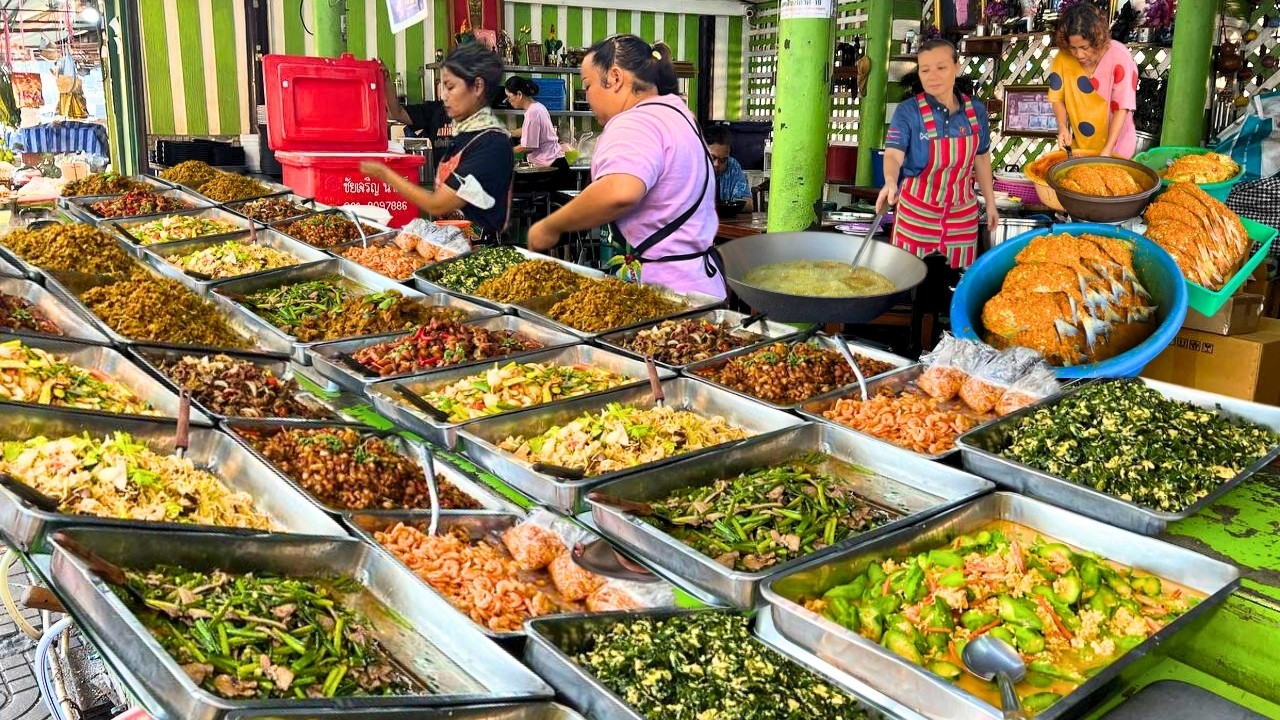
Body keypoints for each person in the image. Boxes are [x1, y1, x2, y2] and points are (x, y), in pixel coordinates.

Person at [526, 35, 723, 299]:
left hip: (666, 296)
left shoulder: (634, 121)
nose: (588, 97)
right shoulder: (679, 114)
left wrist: (550, 226)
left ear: (615, 78)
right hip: (701, 284)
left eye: (588, 86)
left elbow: (620, 192)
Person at [361, 44, 513, 241]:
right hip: (446, 223)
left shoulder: (489, 140)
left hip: (478, 236)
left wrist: (384, 173)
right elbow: (396, 113)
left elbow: (437, 204)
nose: (443, 93)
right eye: (442, 84)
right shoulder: (437, 111)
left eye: (451, 86)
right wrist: (386, 81)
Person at [876, 38, 997, 269]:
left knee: (954, 285)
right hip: (916, 212)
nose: (933, 76)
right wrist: (890, 181)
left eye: (941, 68)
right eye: (925, 70)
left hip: (962, 216)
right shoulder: (908, 111)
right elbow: (893, 153)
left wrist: (990, 203)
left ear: (956, 67)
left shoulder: (976, 111)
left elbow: (981, 157)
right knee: (907, 280)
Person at [1048, 2, 1139, 159]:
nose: (1079, 55)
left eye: (1085, 47)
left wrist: (1107, 151)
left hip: (1117, 148)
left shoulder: (1120, 57)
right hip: (1082, 148)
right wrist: (1062, 126)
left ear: (1098, 39)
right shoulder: (1062, 58)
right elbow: (1057, 98)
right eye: (1073, 48)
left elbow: (1122, 108)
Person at [505, 76, 572, 189]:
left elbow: (529, 146)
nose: (508, 101)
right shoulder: (537, 107)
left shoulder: (533, 112)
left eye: (509, 97)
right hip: (556, 164)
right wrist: (509, 133)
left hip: (552, 169)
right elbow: (528, 130)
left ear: (519, 94)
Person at [705, 124, 753, 212]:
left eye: (723, 160)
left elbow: (748, 204)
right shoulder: (692, 167)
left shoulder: (732, 166)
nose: (716, 164)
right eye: (712, 158)